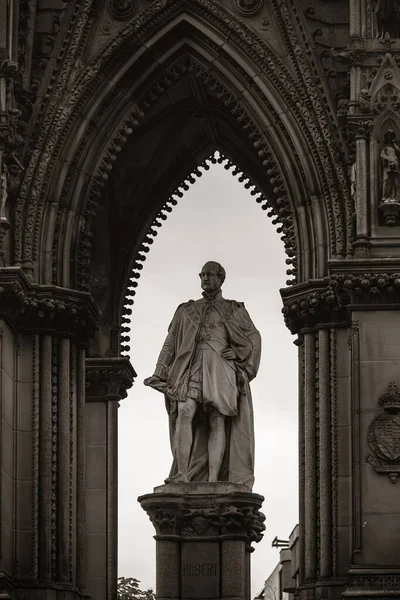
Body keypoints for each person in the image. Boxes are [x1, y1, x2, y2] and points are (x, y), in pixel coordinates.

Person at [144, 261, 261, 489]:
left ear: (220, 279)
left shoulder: (235, 309)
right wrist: (160, 372)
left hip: (220, 368)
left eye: (210, 274)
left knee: (217, 419)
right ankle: (182, 473)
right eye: (202, 274)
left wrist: (238, 355)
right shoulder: (186, 310)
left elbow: (253, 337)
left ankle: (213, 479)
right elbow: (170, 343)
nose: (205, 278)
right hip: (191, 367)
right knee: (185, 412)